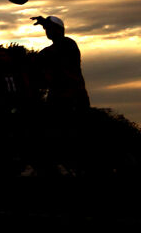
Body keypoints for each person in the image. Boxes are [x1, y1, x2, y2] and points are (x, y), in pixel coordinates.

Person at [30, 15, 87, 174]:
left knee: (70, 133)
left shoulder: (67, 44)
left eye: (50, 28)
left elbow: (45, 56)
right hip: (59, 96)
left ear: (59, 30)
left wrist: (45, 22)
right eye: (46, 29)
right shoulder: (50, 51)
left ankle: (73, 165)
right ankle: (59, 164)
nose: (47, 31)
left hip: (73, 96)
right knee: (53, 132)